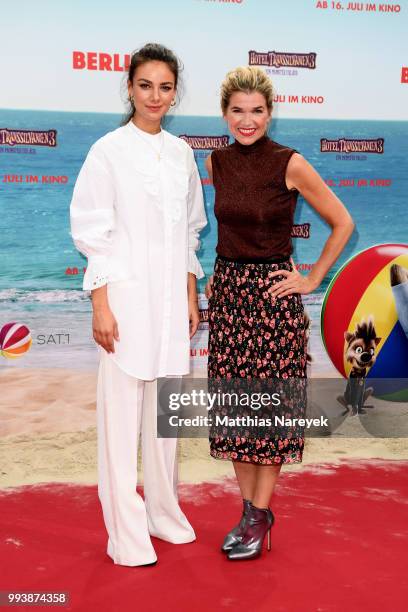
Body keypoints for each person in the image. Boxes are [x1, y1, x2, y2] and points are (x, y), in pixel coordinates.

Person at [205, 66, 354, 561]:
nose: (247, 121)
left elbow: (342, 222)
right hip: (228, 296)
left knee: (268, 415)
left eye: (257, 111)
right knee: (237, 415)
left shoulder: (289, 162)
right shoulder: (217, 161)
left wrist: (311, 280)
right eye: (237, 111)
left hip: (273, 301)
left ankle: (256, 516)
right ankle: (252, 513)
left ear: (270, 113)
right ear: (225, 113)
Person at [70, 43, 207, 567]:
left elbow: (191, 232)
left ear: (175, 94)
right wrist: (100, 305)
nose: (155, 96)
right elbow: (92, 232)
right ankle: (126, 536)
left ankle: (163, 516)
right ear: (129, 87)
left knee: (165, 419)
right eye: (145, 85)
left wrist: (192, 293)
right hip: (125, 302)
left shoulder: (181, 154)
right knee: (121, 422)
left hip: (172, 305)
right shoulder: (108, 151)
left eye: (165, 87)